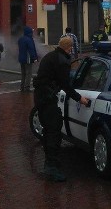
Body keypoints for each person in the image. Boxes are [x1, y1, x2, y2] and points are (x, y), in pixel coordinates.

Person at [33, 36, 90, 182]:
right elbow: (66, 85)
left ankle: (50, 163)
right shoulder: (62, 61)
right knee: (53, 133)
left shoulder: (50, 56)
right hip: (48, 99)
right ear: (69, 48)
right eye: (71, 49)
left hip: (40, 98)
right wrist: (80, 98)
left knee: (48, 131)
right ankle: (51, 168)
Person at [17, 26, 38, 92]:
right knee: (29, 73)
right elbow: (31, 49)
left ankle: (22, 86)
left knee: (23, 73)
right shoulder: (29, 39)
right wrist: (34, 58)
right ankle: (27, 87)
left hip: (21, 58)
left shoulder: (20, 39)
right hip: (28, 59)